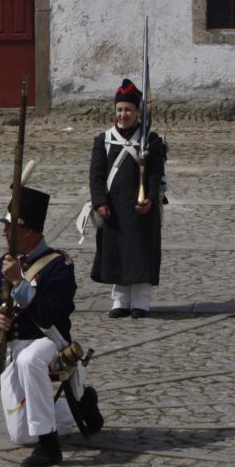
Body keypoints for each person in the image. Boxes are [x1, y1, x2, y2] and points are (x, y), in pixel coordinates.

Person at [0, 187, 86, 467]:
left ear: (28, 231)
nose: (4, 233)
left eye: (9, 227)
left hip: (48, 341)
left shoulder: (59, 265)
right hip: (13, 347)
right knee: (20, 435)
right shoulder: (3, 265)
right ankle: (71, 411)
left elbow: (49, 314)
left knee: (30, 361)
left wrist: (18, 284)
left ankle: (50, 445)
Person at [89, 79, 167, 319]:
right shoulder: (103, 140)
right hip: (113, 207)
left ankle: (141, 302)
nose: (123, 115)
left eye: (128, 110)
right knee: (116, 253)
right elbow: (97, 175)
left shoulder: (150, 140)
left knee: (140, 254)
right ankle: (120, 301)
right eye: (120, 110)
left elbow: (155, 175)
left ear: (137, 112)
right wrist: (100, 202)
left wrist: (150, 200)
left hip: (141, 207)